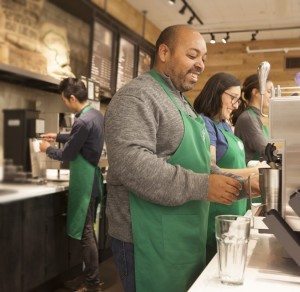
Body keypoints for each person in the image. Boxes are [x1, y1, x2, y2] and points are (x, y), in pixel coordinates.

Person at [104, 25, 252, 292]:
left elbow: (201, 165)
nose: (200, 65)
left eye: (204, 58)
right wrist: (203, 185)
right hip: (146, 238)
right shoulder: (137, 96)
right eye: (193, 55)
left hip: (182, 236)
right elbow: (131, 163)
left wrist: (239, 185)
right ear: (164, 52)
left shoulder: (182, 103)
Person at [39, 78, 104, 292]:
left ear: (73, 98)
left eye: (64, 100)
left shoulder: (83, 121)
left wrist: (46, 148)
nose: (65, 104)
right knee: (89, 233)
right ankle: (89, 278)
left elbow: (68, 153)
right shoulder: (94, 114)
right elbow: (79, 138)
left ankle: (92, 284)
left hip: (85, 183)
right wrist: (57, 136)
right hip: (93, 180)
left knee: (86, 234)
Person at [193, 72, 262, 263]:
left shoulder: (223, 124)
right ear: (216, 93)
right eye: (232, 98)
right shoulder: (205, 124)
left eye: (238, 100)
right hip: (218, 211)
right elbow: (211, 169)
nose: (235, 104)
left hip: (237, 208)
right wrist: (253, 174)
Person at [232, 74, 274, 163]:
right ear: (255, 92)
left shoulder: (257, 116)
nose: (271, 96)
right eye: (269, 91)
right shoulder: (248, 118)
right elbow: (266, 149)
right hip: (252, 173)